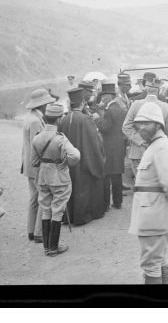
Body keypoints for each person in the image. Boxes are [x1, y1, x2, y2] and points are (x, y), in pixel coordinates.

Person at [128, 101, 168, 284]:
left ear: (158, 124)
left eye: (146, 123)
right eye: (138, 123)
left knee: (151, 263)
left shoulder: (160, 146)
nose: (141, 127)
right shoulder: (155, 145)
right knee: (160, 258)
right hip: (153, 211)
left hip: (153, 213)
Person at [31, 103, 81, 256]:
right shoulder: (60, 138)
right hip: (59, 178)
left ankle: (47, 247)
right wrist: (65, 162)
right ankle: (53, 248)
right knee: (57, 210)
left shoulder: (37, 138)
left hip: (43, 178)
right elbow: (75, 156)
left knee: (46, 209)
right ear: (59, 119)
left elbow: (34, 161)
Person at [58, 87, 106, 225]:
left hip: (68, 160)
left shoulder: (64, 119)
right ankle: (81, 216)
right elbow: (94, 142)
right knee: (83, 186)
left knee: (70, 186)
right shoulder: (86, 119)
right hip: (84, 160)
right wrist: (100, 158)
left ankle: (69, 216)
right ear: (83, 103)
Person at [123, 78, 168, 180]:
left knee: (141, 184)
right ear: (158, 90)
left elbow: (126, 127)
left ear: (146, 89)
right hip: (159, 154)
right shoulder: (165, 106)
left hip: (138, 154)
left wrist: (141, 141)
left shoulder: (135, 104)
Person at [21, 88, 54, 243]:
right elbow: (39, 145)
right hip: (36, 166)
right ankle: (39, 232)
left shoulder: (29, 117)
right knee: (43, 198)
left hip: (29, 165)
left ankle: (31, 230)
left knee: (34, 198)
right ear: (43, 105)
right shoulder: (35, 121)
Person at [94, 82, 127, 210]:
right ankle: (118, 202)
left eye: (103, 96)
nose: (102, 99)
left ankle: (106, 203)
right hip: (119, 145)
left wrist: (97, 118)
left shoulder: (109, 111)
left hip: (109, 147)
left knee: (107, 175)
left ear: (108, 96)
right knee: (117, 174)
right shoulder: (120, 108)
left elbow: (105, 128)